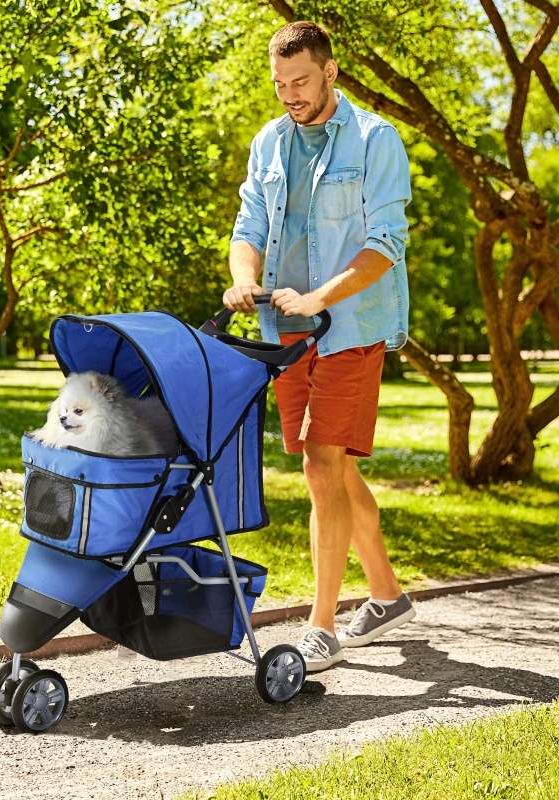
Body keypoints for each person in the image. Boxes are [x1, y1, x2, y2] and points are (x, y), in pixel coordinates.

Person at [225, 20, 416, 672]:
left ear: (330, 72)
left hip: (351, 328)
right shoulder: (271, 144)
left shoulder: (374, 140)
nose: (289, 95)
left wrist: (318, 299)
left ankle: (322, 625)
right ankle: (387, 596)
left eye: (300, 81)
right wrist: (243, 280)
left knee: (318, 464)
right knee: (333, 466)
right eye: (279, 85)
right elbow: (249, 225)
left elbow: (385, 245)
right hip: (285, 333)